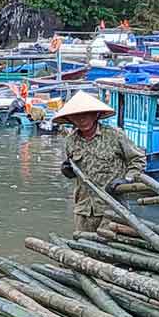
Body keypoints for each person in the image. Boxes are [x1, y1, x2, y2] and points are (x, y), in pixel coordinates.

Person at [55, 92, 148, 233]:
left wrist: (126, 179)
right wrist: (67, 170)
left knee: (109, 248)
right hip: (83, 208)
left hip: (112, 207)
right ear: (70, 119)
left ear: (95, 115)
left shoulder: (115, 135)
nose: (81, 119)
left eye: (86, 115)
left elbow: (138, 159)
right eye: (76, 116)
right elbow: (73, 170)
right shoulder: (70, 141)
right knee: (83, 247)